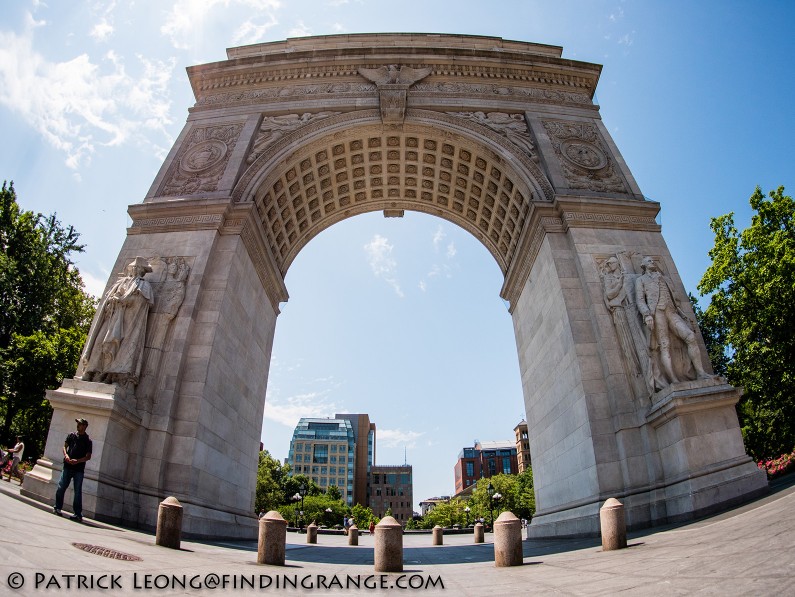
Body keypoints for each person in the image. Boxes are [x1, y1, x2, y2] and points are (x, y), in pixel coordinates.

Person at [81, 257, 155, 387]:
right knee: (100, 342)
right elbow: (107, 300)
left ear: (142, 271)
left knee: (122, 346)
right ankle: (91, 371)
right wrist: (114, 300)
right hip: (112, 318)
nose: (135, 269)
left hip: (128, 321)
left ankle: (111, 375)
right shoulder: (120, 283)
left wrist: (127, 300)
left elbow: (142, 303)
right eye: (134, 267)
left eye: (138, 268)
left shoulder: (144, 285)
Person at [635, 255, 710, 385]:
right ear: (643, 265)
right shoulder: (641, 280)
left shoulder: (664, 278)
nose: (652, 262)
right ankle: (673, 380)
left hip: (672, 312)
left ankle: (701, 373)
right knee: (664, 345)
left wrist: (682, 313)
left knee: (690, 336)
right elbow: (640, 300)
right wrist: (647, 315)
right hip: (657, 313)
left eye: (653, 260)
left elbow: (675, 299)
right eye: (649, 261)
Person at [54, 418, 93, 521]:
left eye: (80, 424)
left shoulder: (88, 441)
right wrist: (66, 455)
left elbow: (88, 456)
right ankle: (57, 507)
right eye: (78, 423)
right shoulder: (71, 435)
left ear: (84, 426)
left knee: (77, 491)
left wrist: (78, 461)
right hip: (67, 465)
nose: (78, 425)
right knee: (61, 487)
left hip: (78, 469)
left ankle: (78, 514)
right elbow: (64, 446)